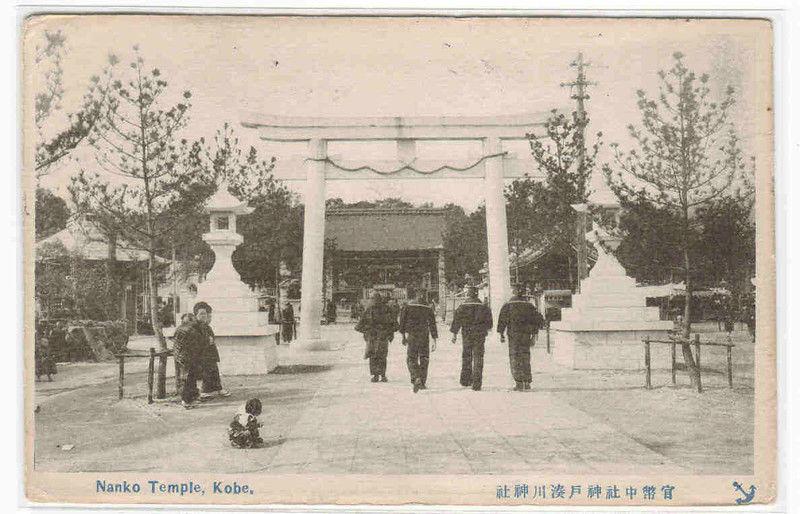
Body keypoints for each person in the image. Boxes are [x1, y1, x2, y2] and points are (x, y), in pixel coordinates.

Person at [497, 284, 544, 391]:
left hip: (513, 336)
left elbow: (502, 321)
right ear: (523, 293)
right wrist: (534, 335)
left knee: (514, 357)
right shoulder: (529, 306)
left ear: (513, 292)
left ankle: (518, 382)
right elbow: (538, 321)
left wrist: (501, 334)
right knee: (525, 357)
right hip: (526, 335)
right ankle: (526, 382)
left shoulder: (507, 306)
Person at [450, 285, 493, 391]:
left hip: (467, 334)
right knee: (478, 357)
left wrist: (454, 334)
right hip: (479, 335)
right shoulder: (484, 307)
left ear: (468, 294)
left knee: (466, 356)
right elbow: (490, 324)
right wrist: (484, 330)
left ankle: (466, 380)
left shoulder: (462, 306)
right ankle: (477, 383)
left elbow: (457, 321)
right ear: (477, 294)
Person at [399, 290, 438, 393]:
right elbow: (432, 324)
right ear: (424, 296)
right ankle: (422, 381)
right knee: (424, 358)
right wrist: (434, 339)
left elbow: (402, 322)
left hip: (412, 335)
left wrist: (403, 336)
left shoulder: (408, 306)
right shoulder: (428, 307)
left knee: (411, 358)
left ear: (415, 296)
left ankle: (416, 377)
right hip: (424, 336)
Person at [355, 291, 398, 383]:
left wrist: (366, 331)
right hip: (377, 336)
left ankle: (378, 375)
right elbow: (394, 324)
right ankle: (380, 375)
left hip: (377, 336)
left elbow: (359, 326)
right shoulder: (381, 309)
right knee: (379, 355)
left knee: (376, 355)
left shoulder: (372, 309)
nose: (375, 301)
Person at [193, 302, 230, 399]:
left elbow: (211, 337)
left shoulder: (206, 326)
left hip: (209, 352)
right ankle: (205, 390)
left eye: (205, 314)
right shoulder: (195, 326)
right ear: (195, 315)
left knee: (214, 370)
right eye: (201, 314)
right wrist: (206, 341)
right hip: (201, 353)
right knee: (206, 371)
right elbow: (195, 339)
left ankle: (218, 388)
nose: (204, 316)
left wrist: (210, 340)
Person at [173, 313, 200, 408]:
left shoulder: (179, 329)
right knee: (189, 379)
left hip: (180, 357)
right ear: (190, 321)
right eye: (193, 320)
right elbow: (197, 345)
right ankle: (186, 401)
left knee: (186, 379)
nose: (195, 321)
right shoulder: (191, 330)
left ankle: (188, 400)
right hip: (188, 358)